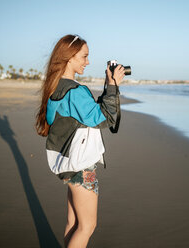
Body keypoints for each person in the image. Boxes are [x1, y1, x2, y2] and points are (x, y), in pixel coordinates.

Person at [35, 34, 125, 248]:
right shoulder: (75, 91)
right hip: (81, 166)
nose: (88, 62)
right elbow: (104, 118)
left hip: (66, 161)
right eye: (84, 56)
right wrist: (113, 87)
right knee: (87, 226)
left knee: (73, 222)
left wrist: (108, 85)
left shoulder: (56, 86)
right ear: (69, 57)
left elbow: (91, 114)